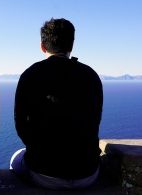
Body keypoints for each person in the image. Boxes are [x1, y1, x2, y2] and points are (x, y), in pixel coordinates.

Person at [10, 18, 103, 190]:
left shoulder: (30, 75)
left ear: (42, 46)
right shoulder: (91, 75)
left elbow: (21, 126)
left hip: (43, 174)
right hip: (87, 173)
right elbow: (95, 120)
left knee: (16, 157)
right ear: (71, 45)